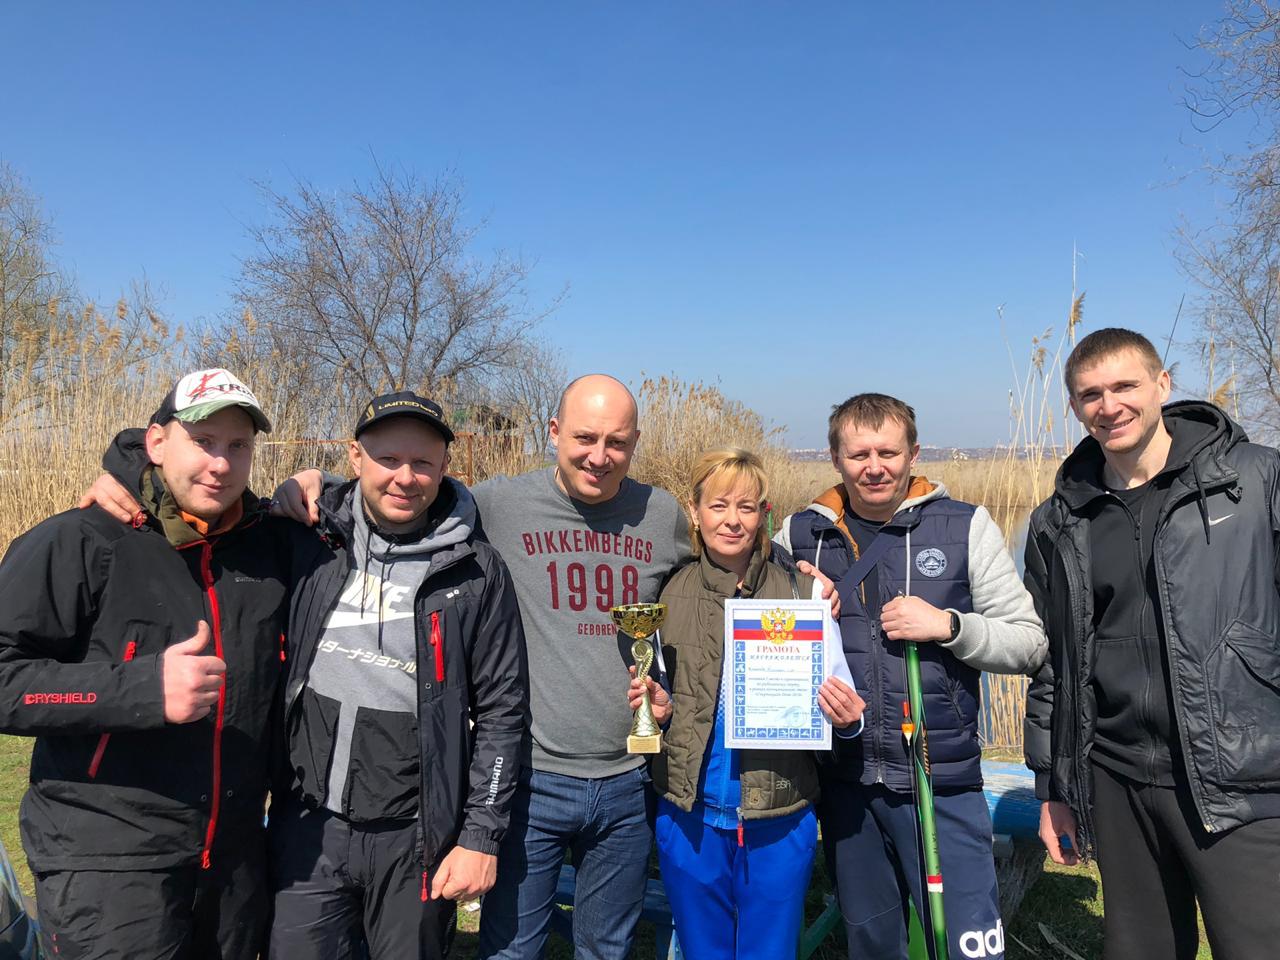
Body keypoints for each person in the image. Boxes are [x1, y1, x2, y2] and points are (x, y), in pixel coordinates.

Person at [274, 374, 838, 960]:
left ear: (635, 442)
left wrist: (799, 577)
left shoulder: (662, 513)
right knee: (512, 947)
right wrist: (318, 484)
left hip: (627, 780)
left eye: (616, 442)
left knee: (607, 947)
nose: (599, 456)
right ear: (554, 433)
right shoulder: (496, 504)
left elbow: (729, 539)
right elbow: (407, 491)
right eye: (584, 437)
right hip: (530, 780)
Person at [78, 390, 530, 959]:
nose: (405, 477)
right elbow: (199, 495)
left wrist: (480, 836)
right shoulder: (305, 534)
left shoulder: (477, 571)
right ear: (355, 455)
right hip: (307, 826)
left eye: (423, 463)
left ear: (445, 468)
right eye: (388, 459)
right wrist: (127, 470)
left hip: (416, 834)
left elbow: (502, 712)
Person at [0, 368, 288, 959]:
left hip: (234, 863)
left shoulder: (270, 549)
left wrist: (315, 479)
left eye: (239, 446)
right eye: (203, 442)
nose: (220, 464)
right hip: (109, 863)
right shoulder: (79, 540)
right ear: (156, 443)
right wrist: (141, 690)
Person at [1023, 328, 1280, 960]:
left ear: (1162, 384)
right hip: (1116, 777)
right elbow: (1051, 659)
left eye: (1124, 386)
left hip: (1240, 777)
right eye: (1090, 394)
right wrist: (1053, 787)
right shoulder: (1059, 518)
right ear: (1076, 407)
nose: (1109, 405)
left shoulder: (1251, 481)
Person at [776, 392, 1045, 960]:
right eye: (858, 454)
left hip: (940, 777)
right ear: (835, 458)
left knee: (970, 945)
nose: (874, 467)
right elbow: (747, 627)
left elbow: (1028, 644)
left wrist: (948, 626)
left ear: (914, 454)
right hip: (846, 782)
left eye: (889, 452)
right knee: (874, 944)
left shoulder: (966, 526)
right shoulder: (798, 536)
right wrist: (796, 597)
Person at [633, 447, 865, 959]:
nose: (732, 520)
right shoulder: (666, 593)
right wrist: (659, 709)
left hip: (779, 818)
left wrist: (847, 722)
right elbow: (658, 699)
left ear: (765, 514)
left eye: (746, 506)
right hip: (688, 814)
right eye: (718, 506)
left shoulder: (805, 595)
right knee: (703, 951)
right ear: (694, 512)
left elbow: (841, 702)